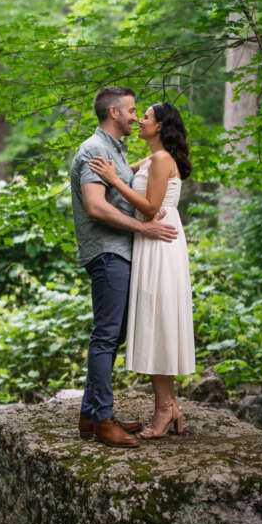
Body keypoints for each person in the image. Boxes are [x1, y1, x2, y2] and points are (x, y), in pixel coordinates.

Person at [69, 85, 178, 448]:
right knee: (106, 335)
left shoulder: (115, 150)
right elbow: (95, 206)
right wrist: (143, 228)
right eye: (131, 110)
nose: (135, 116)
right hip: (107, 252)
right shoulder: (94, 149)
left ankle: (90, 415)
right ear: (114, 112)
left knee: (113, 335)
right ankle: (103, 420)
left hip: (122, 252)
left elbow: (129, 183)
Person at [89, 101, 197, 438]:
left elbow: (150, 208)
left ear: (160, 126)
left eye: (146, 117)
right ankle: (169, 405)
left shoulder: (162, 159)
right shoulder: (152, 159)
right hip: (149, 242)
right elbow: (125, 172)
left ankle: (164, 408)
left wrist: (112, 180)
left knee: (158, 322)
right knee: (154, 321)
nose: (139, 121)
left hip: (159, 242)